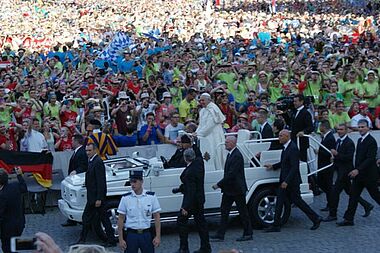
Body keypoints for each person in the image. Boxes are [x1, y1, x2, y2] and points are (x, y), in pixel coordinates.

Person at [264, 130, 322, 232]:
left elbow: (294, 167)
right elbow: (284, 163)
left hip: (291, 182)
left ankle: (316, 218)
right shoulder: (287, 148)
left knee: (297, 201)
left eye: (281, 136)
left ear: (287, 136)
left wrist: (286, 181)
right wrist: (273, 166)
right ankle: (276, 225)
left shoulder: (293, 148)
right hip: (286, 180)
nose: (279, 138)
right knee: (281, 201)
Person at [323, 124, 373, 222]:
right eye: (338, 130)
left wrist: (337, 155)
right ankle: (367, 205)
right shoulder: (338, 141)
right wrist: (334, 158)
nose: (339, 131)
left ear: (346, 130)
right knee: (351, 192)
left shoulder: (349, 142)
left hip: (345, 171)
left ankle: (333, 214)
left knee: (335, 192)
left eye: (341, 129)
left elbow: (349, 157)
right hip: (340, 170)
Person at [337, 120, 380, 226]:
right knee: (353, 196)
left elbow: (370, 159)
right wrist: (356, 169)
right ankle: (348, 219)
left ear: (368, 128)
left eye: (362, 127)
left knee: (376, 196)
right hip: (359, 175)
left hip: (369, 175)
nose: (360, 129)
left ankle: (349, 218)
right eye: (359, 127)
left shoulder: (371, 141)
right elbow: (359, 158)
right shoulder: (360, 140)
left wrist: (357, 169)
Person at [211, 136, 252, 242]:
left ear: (233, 143)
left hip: (237, 190)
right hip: (230, 189)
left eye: (227, 142)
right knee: (224, 211)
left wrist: (218, 184)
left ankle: (248, 233)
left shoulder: (236, 155)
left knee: (243, 212)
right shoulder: (232, 155)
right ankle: (220, 234)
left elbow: (231, 174)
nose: (225, 144)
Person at [74, 143, 115, 247]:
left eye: (89, 150)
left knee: (102, 219)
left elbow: (101, 182)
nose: (87, 153)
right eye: (86, 151)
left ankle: (110, 240)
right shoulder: (92, 161)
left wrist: (99, 198)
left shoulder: (97, 162)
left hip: (96, 198)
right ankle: (84, 239)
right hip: (92, 197)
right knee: (89, 218)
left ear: (95, 150)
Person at [174, 148, 211, 253]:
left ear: (185, 158)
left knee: (181, 221)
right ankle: (206, 247)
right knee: (201, 224)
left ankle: (184, 248)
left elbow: (191, 191)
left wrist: (185, 207)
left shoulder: (190, 172)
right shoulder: (199, 163)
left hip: (192, 202)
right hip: (199, 200)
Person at [117, 170, 161, 253]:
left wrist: (158, 236)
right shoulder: (126, 198)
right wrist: (121, 239)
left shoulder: (151, 197)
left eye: (135, 181)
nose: (132, 184)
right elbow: (121, 219)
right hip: (131, 235)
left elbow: (157, 217)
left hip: (146, 234)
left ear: (141, 181)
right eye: (131, 182)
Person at [62, 134, 88, 227]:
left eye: (72, 141)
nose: (71, 142)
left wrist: (76, 171)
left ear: (77, 141)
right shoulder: (77, 151)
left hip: (78, 180)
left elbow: (84, 166)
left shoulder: (81, 152)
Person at [196, 93, 226, 171]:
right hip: (205, 137)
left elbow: (210, 125)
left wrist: (199, 134)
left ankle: (218, 170)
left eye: (203, 100)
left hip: (214, 136)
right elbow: (201, 124)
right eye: (200, 100)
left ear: (209, 100)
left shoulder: (213, 109)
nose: (201, 102)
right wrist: (196, 133)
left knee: (215, 153)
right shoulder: (202, 110)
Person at [0, 167, 27, 253]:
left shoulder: (2, 195)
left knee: (7, 249)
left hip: (7, 229)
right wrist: (19, 175)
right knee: (14, 247)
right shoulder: (15, 186)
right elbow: (24, 187)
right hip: (19, 224)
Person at [317, 120, 336, 211]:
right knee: (323, 184)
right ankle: (330, 203)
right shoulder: (326, 137)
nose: (319, 128)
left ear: (324, 127)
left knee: (328, 186)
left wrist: (319, 151)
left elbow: (329, 153)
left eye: (320, 126)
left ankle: (331, 204)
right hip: (323, 165)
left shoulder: (330, 138)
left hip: (326, 166)